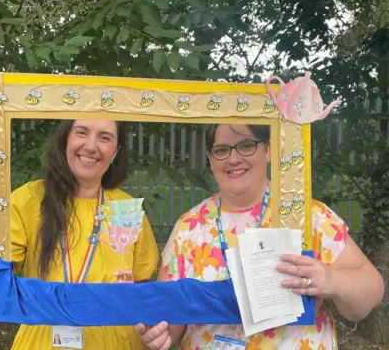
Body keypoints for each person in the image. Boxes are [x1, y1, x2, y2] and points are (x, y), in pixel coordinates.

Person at [136, 124, 384, 350]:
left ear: (268, 150)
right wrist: (157, 328)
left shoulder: (308, 217)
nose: (233, 159)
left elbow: (371, 290)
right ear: (211, 159)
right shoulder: (189, 227)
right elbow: (172, 321)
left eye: (246, 145)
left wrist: (333, 280)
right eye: (221, 150)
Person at [0, 119, 159, 350]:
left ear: (116, 152)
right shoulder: (28, 200)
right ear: (65, 139)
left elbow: (142, 290)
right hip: (44, 340)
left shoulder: (128, 208)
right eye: (81, 132)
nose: (91, 146)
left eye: (105, 137)